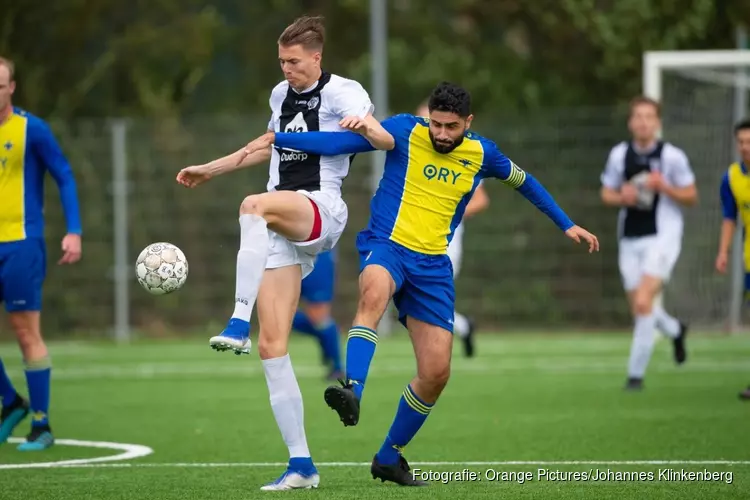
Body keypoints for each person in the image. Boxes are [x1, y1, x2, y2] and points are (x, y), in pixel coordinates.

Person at [240, 81, 599, 486]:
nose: (442, 134)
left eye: (451, 126)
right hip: (387, 245)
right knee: (373, 293)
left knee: (436, 372)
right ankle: (352, 388)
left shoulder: (484, 153)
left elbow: (525, 182)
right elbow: (340, 143)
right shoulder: (405, 131)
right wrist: (279, 137)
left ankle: (389, 457)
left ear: (468, 122)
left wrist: (566, 224)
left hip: (433, 266)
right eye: (437, 124)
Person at [176, 16, 392, 491]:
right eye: (282, 62)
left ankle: (236, 321)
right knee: (273, 348)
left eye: (294, 62)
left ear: (317, 58)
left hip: (321, 209)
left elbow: (382, 141)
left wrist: (368, 125)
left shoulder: (344, 92)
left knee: (253, 205)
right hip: (280, 220)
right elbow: (266, 148)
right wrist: (211, 169)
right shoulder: (279, 95)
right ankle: (302, 465)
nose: (287, 70)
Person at [0, 56, 83, 451]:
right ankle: (12, 402)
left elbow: (64, 175)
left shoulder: (31, 129)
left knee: (24, 332)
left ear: (12, 87)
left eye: (0, 85)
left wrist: (74, 231)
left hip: (21, 245)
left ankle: (41, 424)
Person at [600, 96, 696, 391]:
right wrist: (622, 197)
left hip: (662, 237)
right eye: (638, 117)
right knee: (640, 308)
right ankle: (675, 330)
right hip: (630, 237)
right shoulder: (619, 155)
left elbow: (691, 196)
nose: (643, 122)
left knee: (643, 302)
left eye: (649, 117)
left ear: (658, 123)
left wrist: (663, 186)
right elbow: (607, 194)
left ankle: (634, 377)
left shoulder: (672, 157)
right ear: (630, 122)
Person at [416, 101, 489, 357]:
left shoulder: (463, 158)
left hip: (446, 242)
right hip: (414, 240)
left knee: (430, 296)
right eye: (427, 123)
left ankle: (439, 350)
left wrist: (447, 210)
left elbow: (481, 200)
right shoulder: (413, 158)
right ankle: (462, 326)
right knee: (415, 296)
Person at [715, 118, 750, 401]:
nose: (746, 147)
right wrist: (723, 251)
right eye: (741, 142)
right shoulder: (731, 177)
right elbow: (730, 218)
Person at [292, 249, 343, 380]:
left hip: (316, 254)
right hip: (286, 255)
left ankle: (337, 367)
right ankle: (325, 338)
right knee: (281, 313)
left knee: (319, 318)